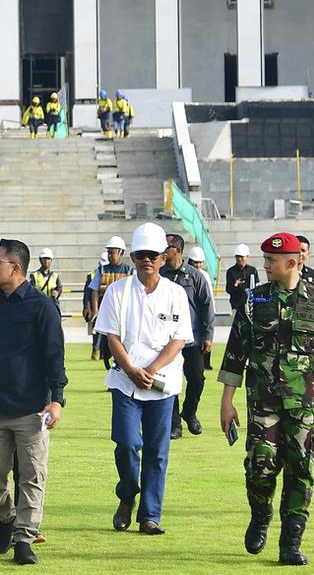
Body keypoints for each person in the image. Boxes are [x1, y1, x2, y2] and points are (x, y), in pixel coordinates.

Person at [218, 232, 314, 566]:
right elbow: (236, 353)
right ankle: (260, 513)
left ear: (293, 262)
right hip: (263, 401)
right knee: (260, 467)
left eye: (271, 261)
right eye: (264, 259)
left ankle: (290, 541)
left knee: (301, 470)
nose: (265, 265)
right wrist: (226, 400)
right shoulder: (253, 301)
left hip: (306, 405)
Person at [0, 238, 67, 566]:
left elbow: (54, 357)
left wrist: (57, 400)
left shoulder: (42, 307)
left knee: (33, 475)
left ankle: (24, 537)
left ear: (14, 268)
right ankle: (6, 518)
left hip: (31, 409)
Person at [95, 223, 194, 536]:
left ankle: (150, 515)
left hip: (162, 383)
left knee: (157, 450)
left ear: (163, 258)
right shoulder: (117, 291)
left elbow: (178, 340)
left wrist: (149, 370)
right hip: (125, 381)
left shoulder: (175, 293)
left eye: (152, 255)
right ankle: (127, 494)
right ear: (133, 257)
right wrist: (131, 369)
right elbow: (111, 335)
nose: (146, 260)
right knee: (126, 443)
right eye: (140, 255)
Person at [161, 234, 214, 439]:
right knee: (168, 381)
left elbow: (207, 306)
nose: (164, 251)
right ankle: (174, 424)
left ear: (178, 251)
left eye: (168, 248)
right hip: (168, 340)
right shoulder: (160, 275)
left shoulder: (195, 276)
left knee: (196, 379)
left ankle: (189, 412)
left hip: (192, 339)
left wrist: (208, 335)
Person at [86, 238, 134, 368]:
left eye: (112, 252)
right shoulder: (101, 270)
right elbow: (94, 291)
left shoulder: (130, 272)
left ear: (121, 253)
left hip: (123, 316)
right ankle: (110, 370)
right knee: (105, 349)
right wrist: (95, 310)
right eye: (108, 252)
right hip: (106, 315)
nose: (110, 255)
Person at [186, 246, 214, 370]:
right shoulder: (186, 275)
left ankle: (205, 363)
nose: (198, 265)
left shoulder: (204, 276)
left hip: (202, 314)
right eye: (195, 262)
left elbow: (209, 299)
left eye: (200, 262)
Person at [226, 244, 260, 313]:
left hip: (251, 305)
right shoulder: (231, 271)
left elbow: (257, 286)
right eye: (237, 256)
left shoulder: (252, 270)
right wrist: (235, 284)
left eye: (241, 257)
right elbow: (228, 290)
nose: (239, 259)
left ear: (247, 257)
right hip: (236, 304)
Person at [29, 249, 63, 313]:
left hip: (52, 305)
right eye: (44, 259)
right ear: (40, 260)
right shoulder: (34, 275)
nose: (46, 261)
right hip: (39, 306)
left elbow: (59, 288)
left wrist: (57, 292)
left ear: (51, 260)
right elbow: (31, 290)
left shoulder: (55, 275)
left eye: (48, 259)